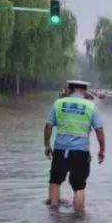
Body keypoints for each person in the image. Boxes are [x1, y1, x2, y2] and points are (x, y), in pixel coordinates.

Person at [44, 79, 105, 211]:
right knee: (79, 187)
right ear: (84, 90)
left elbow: (48, 126)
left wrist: (47, 145)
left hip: (60, 150)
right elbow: (99, 131)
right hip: (80, 152)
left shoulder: (58, 103)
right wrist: (102, 150)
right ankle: (78, 218)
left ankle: (53, 215)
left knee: (55, 181)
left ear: (70, 89)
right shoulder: (91, 106)